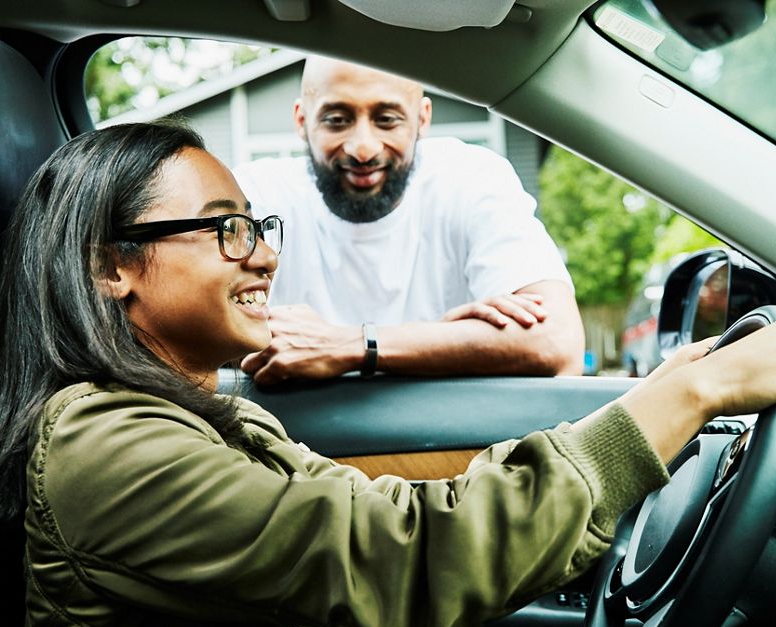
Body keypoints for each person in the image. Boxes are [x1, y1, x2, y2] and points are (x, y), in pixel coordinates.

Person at [0, 121, 776, 627]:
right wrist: (681, 402)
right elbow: (401, 555)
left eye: (257, 224)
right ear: (114, 267)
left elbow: (382, 510)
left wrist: (657, 400)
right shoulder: (107, 444)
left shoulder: (200, 416)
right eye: (225, 229)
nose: (262, 251)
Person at [232, 58, 587, 384]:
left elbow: (557, 343)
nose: (363, 149)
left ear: (422, 118)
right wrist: (446, 340)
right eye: (337, 120)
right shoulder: (256, 194)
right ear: (302, 121)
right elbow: (190, 338)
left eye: (387, 119)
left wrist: (351, 345)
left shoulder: (471, 178)